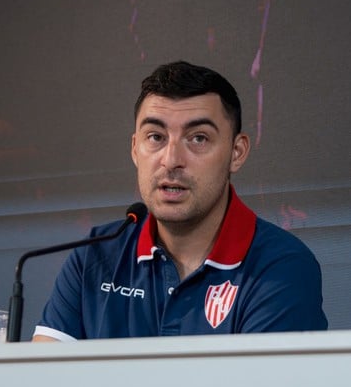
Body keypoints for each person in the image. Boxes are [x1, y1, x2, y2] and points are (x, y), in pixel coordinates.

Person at [33, 61, 328, 340]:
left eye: (198, 138)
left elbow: (261, 380)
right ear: (135, 149)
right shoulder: (94, 256)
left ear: (236, 153)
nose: (171, 160)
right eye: (156, 137)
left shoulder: (281, 267)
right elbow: (44, 373)